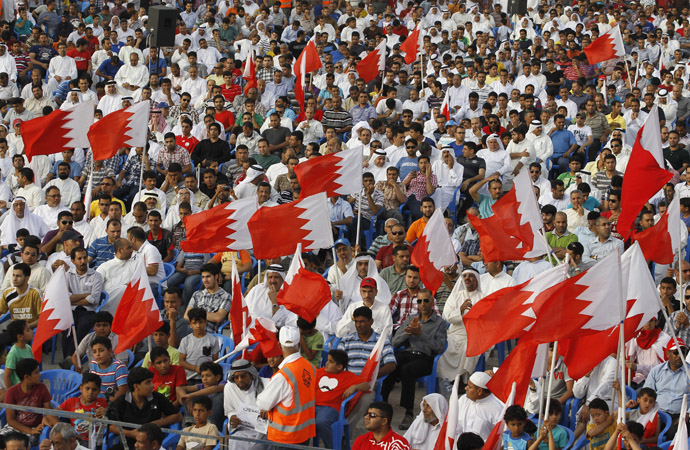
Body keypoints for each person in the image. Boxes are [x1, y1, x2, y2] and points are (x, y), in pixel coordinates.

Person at [382, 289, 447, 429]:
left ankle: (409, 412)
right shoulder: (411, 318)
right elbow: (394, 342)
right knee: (392, 364)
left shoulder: (440, 323)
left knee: (407, 370)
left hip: (425, 357)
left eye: (426, 300)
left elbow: (440, 347)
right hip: (407, 353)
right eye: (419, 301)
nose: (422, 304)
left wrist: (421, 334)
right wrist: (408, 332)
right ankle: (383, 404)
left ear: (432, 302)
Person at [256, 326, 316, 447]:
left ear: (279, 345)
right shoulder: (311, 368)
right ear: (299, 345)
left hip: (285, 436)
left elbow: (263, 403)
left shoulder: (282, 376)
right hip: (304, 432)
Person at [106, 367, 182, 449]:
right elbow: (111, 425)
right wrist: (130, 433)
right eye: (148, 383)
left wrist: (156, 424)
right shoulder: (121, 401)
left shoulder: (157, 398)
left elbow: (178, 416)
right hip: (128, 444)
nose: (152, 385)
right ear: (136, 386)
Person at [223, 359, 270, 450]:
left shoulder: (267, 384)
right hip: (243, 430)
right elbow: (229, 411)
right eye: (236, 377)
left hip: (264, 432)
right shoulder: (229, 388)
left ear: (251, 375)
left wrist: (268, 413)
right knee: (234, 441)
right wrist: (232, 417)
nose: (240, 380)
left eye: (243, 376)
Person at [3, 358, 50, 447]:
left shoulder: (42, 388)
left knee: (18, 446)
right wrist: (29, 430)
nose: (40, 375)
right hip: (13, 428)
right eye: (36, 373)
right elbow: (11, 420)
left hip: (34, 429)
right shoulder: (11, 392)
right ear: (27, 377)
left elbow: (49, 411)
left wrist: (36, 427)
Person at [49, 373, 107, 444]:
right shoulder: (71, 402)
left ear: (99, 391)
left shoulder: (102, 403)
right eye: (87, 388)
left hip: (94, 441)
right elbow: (51, 414)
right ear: (81, 388)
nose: (90, 392)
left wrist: (106, 413)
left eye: (94, 390)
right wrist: (63, 430)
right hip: (74, 439)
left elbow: (115, 419)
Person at [456, 372, 505, 441]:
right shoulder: (463, 399)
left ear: (479, 391)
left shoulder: (497, 409)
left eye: (469, 387)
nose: (465, 388)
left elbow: (502, 437)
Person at [179, 308, 220, 382]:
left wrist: (206, 371)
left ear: (205, 322)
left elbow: (215, 361)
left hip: (207, 379)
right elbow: (181, 361)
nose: (198, 326)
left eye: (201, 322)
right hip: (189, 378)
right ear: (190, 324)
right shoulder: (185, 340)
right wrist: (195, 368)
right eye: (195, 323)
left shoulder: (213, 340)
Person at [88, 335, 128, 401]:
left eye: (101, 350)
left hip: (111, 401)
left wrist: (107, 403)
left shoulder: (119, 366)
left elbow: (123, 390)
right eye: (94, 352)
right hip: (95, 400)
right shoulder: (93, 364)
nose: (97, 354)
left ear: (109, 351)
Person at [4, 320, 33, 387]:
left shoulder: (28, 347)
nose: (31, 331)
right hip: (19, 388)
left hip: (29, 385)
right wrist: (10, 394)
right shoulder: (13, 354)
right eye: (28, 330)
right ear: (20, 337)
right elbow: (7, 376)